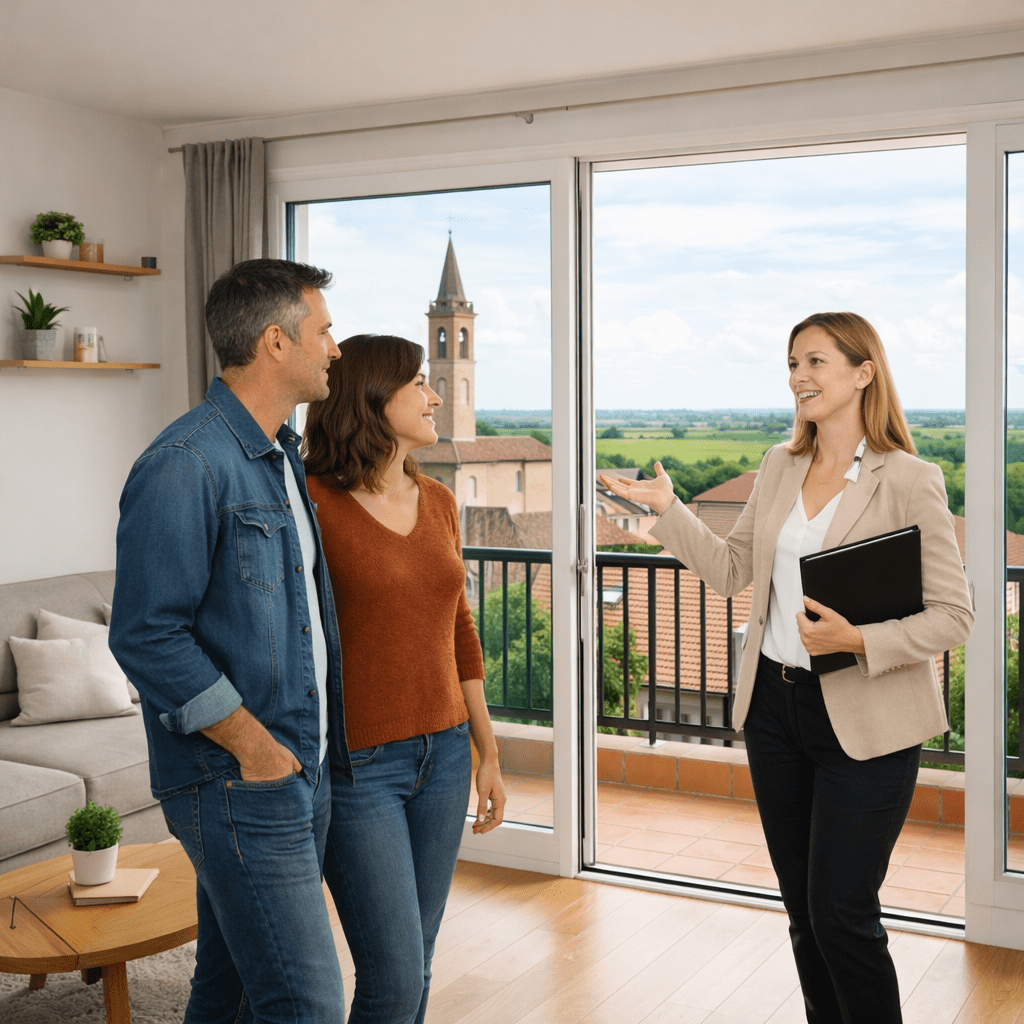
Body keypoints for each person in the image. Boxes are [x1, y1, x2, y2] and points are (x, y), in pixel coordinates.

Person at [601, 312, 973, 1024]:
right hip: (775, 710)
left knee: (842, 913)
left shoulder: (910, 479)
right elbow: (731, 570)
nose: (797, 377)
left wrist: (858, 639)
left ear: (863, 372)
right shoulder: (780, 465)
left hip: (866, 720)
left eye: (814, 363)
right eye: (791, 365)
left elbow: (954, 617)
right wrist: (671, 510)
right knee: (803, 913)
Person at [108, 259, 350, 1024]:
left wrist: (297, 757)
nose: (335, 349)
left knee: (234, 985)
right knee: (307, 1002)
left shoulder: (280, 457)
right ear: (276, 342)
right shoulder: (185, 464)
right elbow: (146, 634)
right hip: (240, 779)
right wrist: (255, 748)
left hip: (296, 770)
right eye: (323, 330)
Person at [302, 333, 506, 1024]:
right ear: (370, 397)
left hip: (445, 755)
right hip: (360, 767)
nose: (436, 395)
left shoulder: (441, 500)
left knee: (416, 961)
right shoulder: (311, 505)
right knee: (391, 976)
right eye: (419, 383)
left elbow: (460, 629)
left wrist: (490, 751)